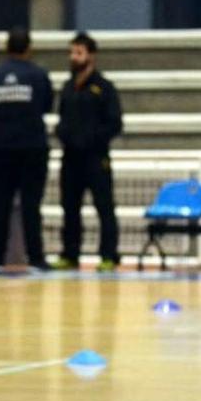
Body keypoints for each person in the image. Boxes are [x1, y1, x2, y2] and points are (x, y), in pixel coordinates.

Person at [0, 28, 53, 273]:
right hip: (32, 149)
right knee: (31, 206)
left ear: (7, 47)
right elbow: (47, 105)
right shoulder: (39, 75)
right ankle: (36, 259)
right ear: (28, 48)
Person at [53, 32, 123, 272]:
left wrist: (91, 139)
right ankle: (70, 254)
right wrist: (63, 133)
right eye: (72, 52)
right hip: (70, 158)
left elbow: (115, 124)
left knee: (104, 207)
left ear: (91, 56)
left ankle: (108, 256)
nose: (74, 57)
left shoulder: (104, 88)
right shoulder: (67, 88)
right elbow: (61, 118)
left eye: (79, 52)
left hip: (96, 158)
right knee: (69, 208)